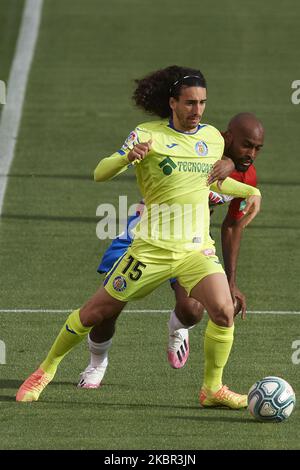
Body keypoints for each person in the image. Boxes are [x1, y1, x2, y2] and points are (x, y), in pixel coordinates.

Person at [16, 65, 261, 408]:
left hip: (195, 250)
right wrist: (127, 158)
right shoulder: (147, 135)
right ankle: (46, 369)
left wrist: (250, 193)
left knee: (223, 310)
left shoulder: (212, 139)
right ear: (173, 102)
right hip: (151, 250)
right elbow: (100, 173)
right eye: (190, 103)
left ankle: (212, 389)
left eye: (202, 103)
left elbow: (214, 184)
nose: (197, 110)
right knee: (94, 313)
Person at [77, 112, 264, 388]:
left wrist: (231, 282)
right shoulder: (201, 146)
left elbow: (233, 227)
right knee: (108, 308)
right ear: (227, 138)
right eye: (246, 145)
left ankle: (178, 327)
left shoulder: (247, 176)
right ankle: (97, 363)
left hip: (189, 242)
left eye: (258, 148)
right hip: (145, 233)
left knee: (192, 311)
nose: (251, 154)